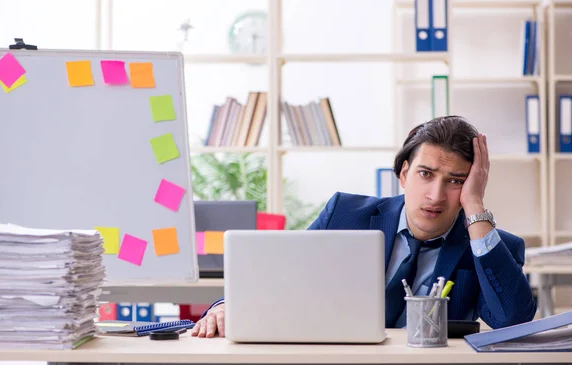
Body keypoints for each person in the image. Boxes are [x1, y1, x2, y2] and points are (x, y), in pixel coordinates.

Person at [192, 115, 537, 338]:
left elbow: (513, 323)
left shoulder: (489, 246)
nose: (435, 195)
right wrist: (224, 307)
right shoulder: (345, 213)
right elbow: (277, 277)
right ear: (403, 174)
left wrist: (474, 207)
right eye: (425, 174)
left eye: (455, 181)